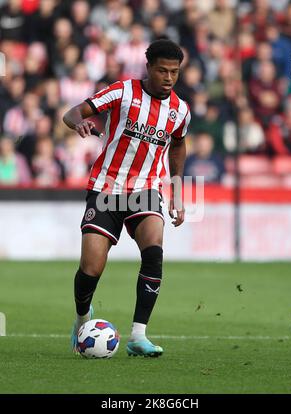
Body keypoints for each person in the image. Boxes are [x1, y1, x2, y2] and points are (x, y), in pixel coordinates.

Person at [63, 39, 191, 357]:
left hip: (145, 191)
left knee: (154, 249)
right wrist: (79, 123)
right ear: (148, 67)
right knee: (91, 267)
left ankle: (138, 335)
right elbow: (73, 111)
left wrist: (176, 191)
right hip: (106, 189)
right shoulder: (123, 91)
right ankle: (82, 317)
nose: (168, 77)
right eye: (162, 70)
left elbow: (177, 145)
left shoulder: (180, 111)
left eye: (174, 72)